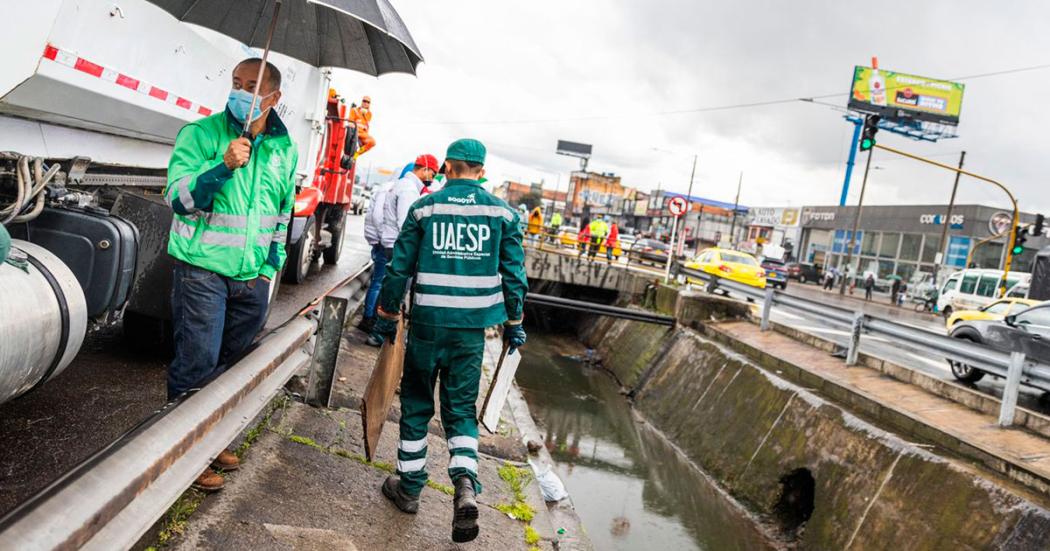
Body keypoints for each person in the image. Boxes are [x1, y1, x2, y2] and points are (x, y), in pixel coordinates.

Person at [371, 139, 528, 543]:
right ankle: (465, 486)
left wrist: (386, 315)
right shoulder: (503, 214)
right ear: (481, 169)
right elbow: (514, 278)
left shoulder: (425, 208)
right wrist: (514, 323)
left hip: (427, 326)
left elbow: (398, 266)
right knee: (460, 410)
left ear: (448, 166)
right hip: (471, 333)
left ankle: (408, 488)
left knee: (418, 403)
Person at [163, 58, 296, 492]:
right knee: (197, 360)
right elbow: (179, 199)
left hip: (251, 279)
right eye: (236, 83)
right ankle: (184, 452)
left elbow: (282, 213)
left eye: (252, 86)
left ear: (274, 99)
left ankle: (211, 438)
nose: (241, 92)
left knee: (230, 365)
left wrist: (268, 271)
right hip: (201, 268)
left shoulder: (284, 149)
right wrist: (221, 167)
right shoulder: (201, 135)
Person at [365, 153, 439, 346]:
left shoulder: (403, 185)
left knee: (385, 285)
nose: (432, 178)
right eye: (432, 173)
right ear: (424, 169)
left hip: (390, 242)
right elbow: (405, 223)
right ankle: (378, 332)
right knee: (394, 290)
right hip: (397, 244)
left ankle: (375, 326)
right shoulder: (408, 190)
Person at [359, 162, 414, 333]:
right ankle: (369, 318)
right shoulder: (396, 189)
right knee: (379, 282)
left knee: (378, 281)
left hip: (381, 241)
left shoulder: (390, 187)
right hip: (386, 243)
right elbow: (377, 216)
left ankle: (370, 317)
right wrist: (383, 237)